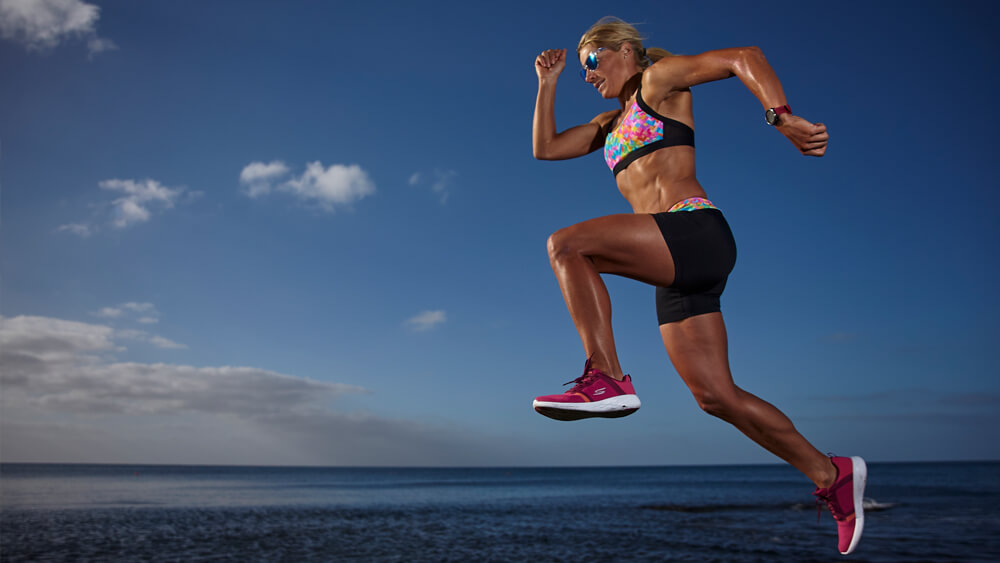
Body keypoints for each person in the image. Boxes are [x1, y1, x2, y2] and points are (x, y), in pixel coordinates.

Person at [530, 17, 866, 555]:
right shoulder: (607, 124)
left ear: (625, 51)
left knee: (566, 245)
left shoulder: (659, 81)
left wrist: (781, 118)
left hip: (694, 230)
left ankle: (606, 377)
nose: (587, 74)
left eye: (592, 62)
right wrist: (548, 83)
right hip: (677, 263)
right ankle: (831, 475)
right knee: (715, 396)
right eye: (583, 70)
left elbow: (744, 57)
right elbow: (545, 148)